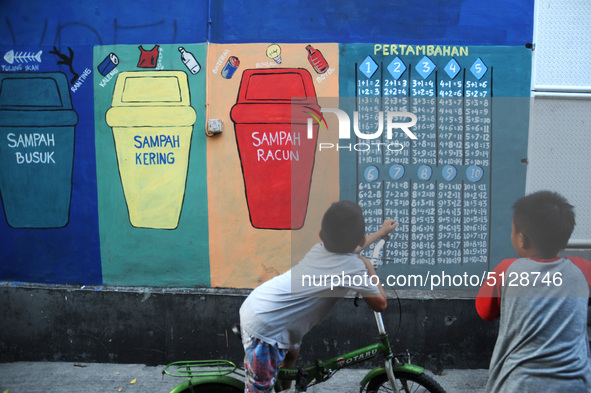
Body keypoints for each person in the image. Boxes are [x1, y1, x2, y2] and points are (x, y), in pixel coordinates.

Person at [239, 200, 397, 393]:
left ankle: (285, 389)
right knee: (259, 389)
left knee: (292, 354)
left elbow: (349, 251)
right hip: (266, 330)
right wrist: (368, 266)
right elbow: (380, 303)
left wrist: (381, 233)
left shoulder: (321, 249)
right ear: (360, 240)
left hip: (265, 306)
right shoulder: (354, 268)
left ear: (322, 234)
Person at [475, 190, 591, 392]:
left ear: (522, 239)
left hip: (518, 385)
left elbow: (485, 312)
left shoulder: (506, 269)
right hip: (576, 385)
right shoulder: (583, 270)